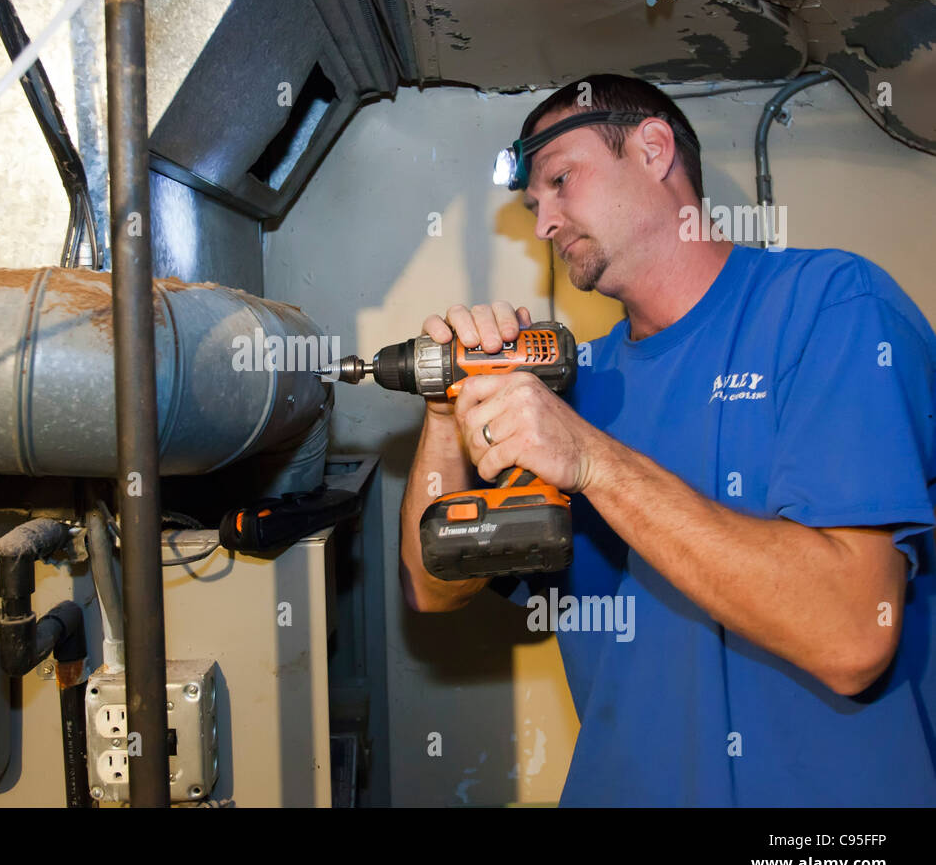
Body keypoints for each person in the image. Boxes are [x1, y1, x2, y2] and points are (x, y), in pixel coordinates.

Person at [399, 73, 936, 806]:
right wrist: (444, 408)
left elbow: (852, 636)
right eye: (532, 206)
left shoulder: (829, 305)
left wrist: (594, 463)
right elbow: (432, 587)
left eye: (560, 181)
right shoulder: (571, 384)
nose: (544, 221)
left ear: (653, 149)